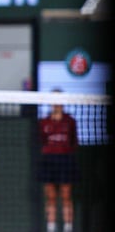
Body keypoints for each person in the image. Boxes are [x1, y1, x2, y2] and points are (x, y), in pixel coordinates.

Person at [39, 95, 78, 232]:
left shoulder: (70, 121)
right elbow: (42, 141)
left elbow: (74, 142)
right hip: (49, 161)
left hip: (65, 160)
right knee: (50, 197)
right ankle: (51, 227)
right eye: (54, 101)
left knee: (66, 195)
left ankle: (68, 227)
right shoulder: (44, 122)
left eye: (59, 101)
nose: (56, 104)